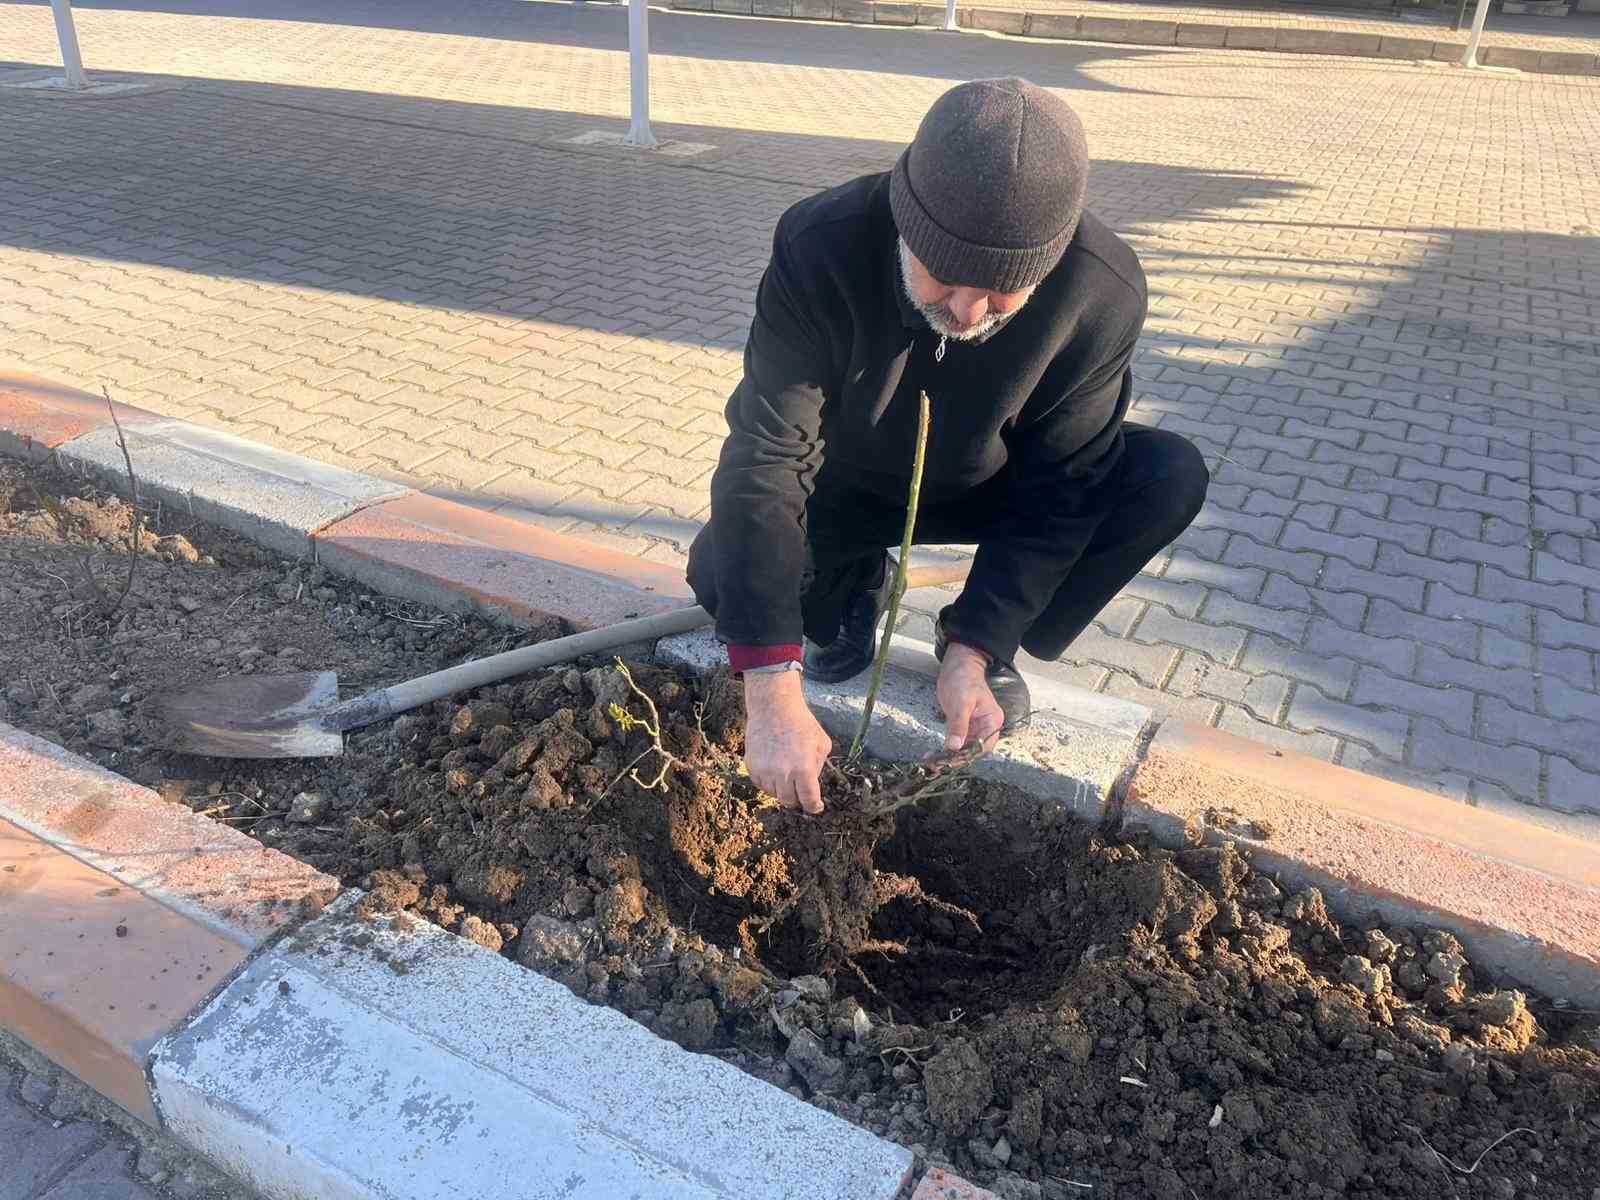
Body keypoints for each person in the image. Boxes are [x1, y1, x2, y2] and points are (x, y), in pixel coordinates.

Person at [687, 77, 1209, 815]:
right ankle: (848, 587)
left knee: (1165, 477)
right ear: (907, 223)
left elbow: (1063, 485)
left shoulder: (1104, 289)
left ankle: (984, 635)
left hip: (990, 488)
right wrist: (770, 686)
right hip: (848, 482)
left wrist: (979, 644)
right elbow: (768, 457)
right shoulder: (821, 246)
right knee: (720, 576)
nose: (966, 311)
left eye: (1003, 293)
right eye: (944, 279)